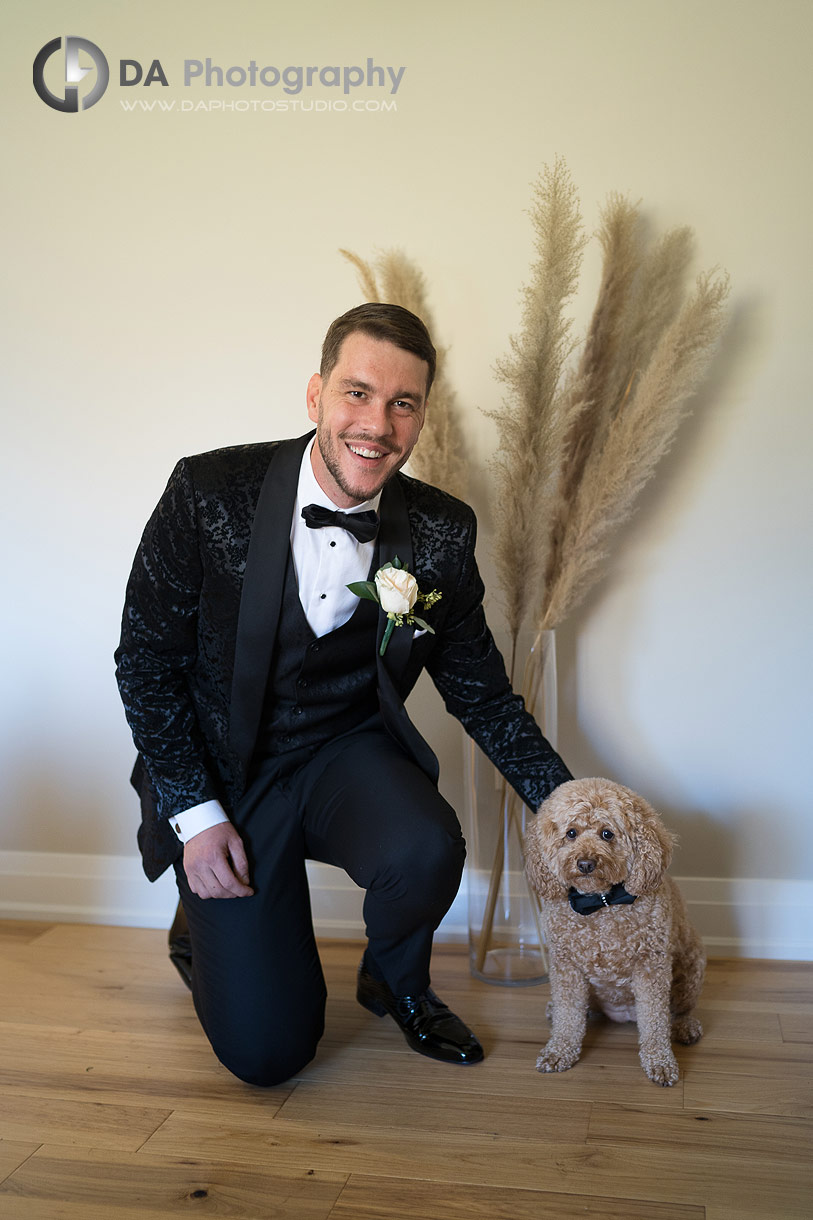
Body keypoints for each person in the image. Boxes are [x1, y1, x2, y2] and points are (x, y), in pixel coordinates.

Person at [115, 303, 572, 1086]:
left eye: (404, 403)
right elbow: (145, 665)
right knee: (269, 1057)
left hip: (343, 755)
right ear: (315, 394)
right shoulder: (207, 490)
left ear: (422, 414)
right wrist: (194, 818)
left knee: (427, 847)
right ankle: (201, 921)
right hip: (227, 770)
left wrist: (571, 808)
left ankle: (396, 981)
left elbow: (483, 695)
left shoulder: (439, 530)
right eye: (357, 393)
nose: (378, 424)